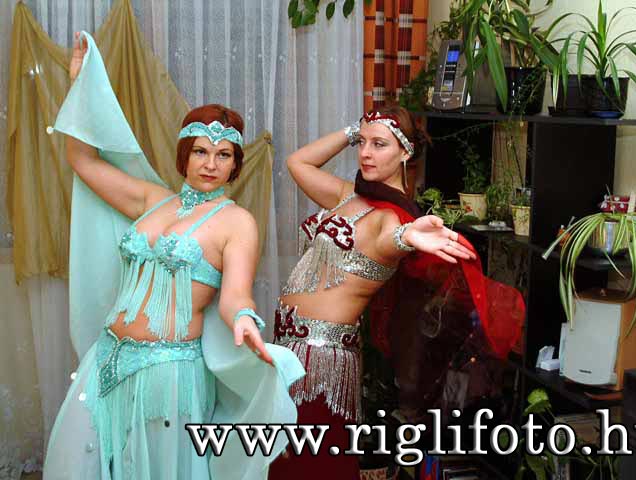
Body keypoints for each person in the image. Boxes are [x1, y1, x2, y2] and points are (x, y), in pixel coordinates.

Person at [43, 32, 303, 480]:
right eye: (201, 151)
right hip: (107, 358)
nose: (210, 163)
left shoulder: (236, 221)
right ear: (185, 154)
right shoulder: (152, 200)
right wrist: (79, 84)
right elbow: (82, 160)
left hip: (169, 373)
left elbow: (235, 294)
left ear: (235, 164)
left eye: (223, 155)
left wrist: (244, 318)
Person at [268, 106, 512, 479]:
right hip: (287, 349)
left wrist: (408, 235)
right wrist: (356, 129)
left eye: (379, 145)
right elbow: (297, 162)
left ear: (405, 152)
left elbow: (391, 238)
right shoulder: (347, 195)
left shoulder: (395, 217)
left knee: (311, 466)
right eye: (362, 143)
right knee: (284, 463)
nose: (365, 153)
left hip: (322, 360)